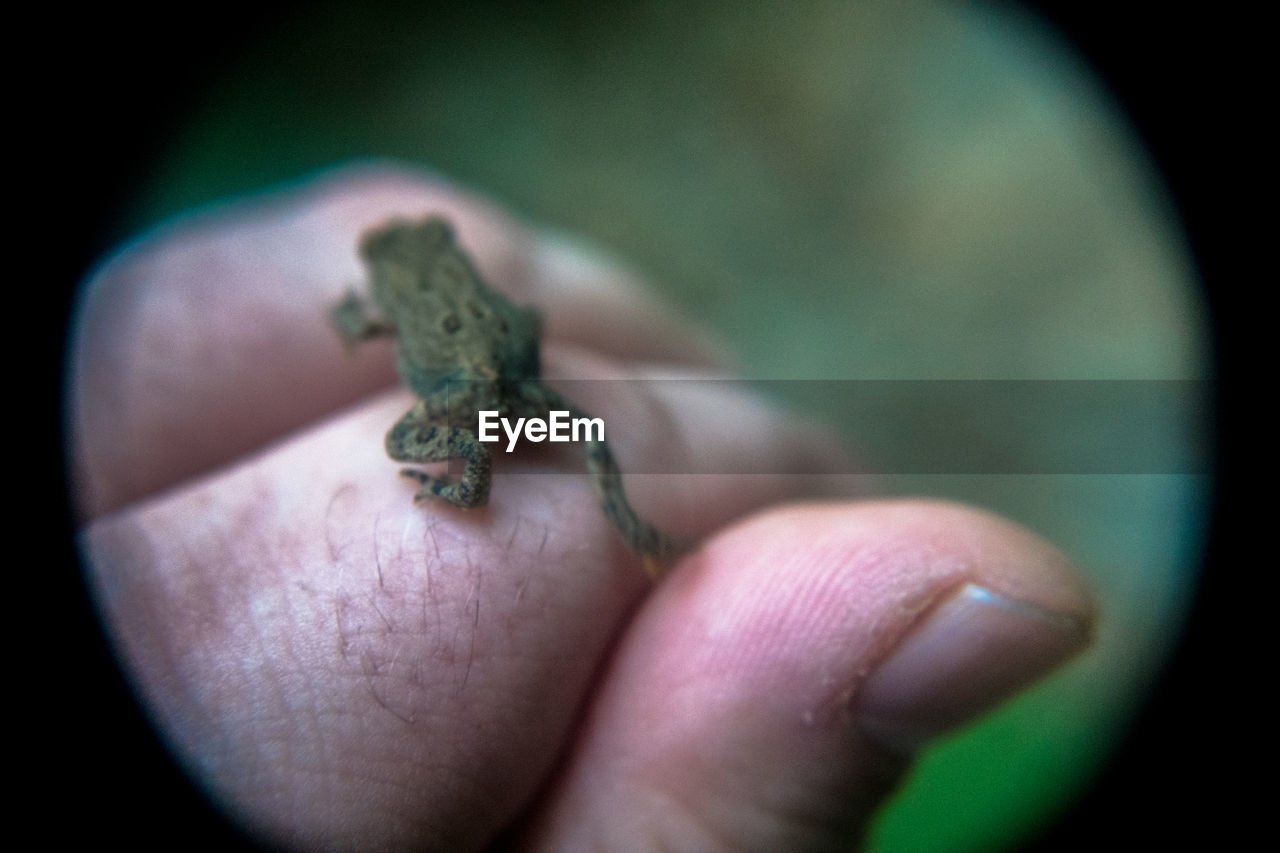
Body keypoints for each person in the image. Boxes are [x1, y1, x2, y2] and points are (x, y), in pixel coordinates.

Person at [69, 166, 1094, 851]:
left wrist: (403, 347)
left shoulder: (393, 291)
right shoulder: (428, 289)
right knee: (556, 438)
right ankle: (550, 493)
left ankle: (524, 486)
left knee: (484, 439)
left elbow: (391, 318)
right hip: (503, 404)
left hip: (481, 403)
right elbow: (511, 323)